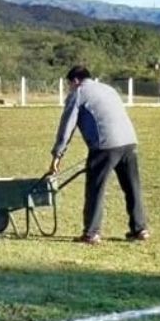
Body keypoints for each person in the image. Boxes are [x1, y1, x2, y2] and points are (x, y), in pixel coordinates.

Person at [49, 65, 149, 245]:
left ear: (75, 81)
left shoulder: (78, 93)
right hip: (129, 142)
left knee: (95, 189)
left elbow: (66, 127)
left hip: (104, 145)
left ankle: (91, 233)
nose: (69, 88)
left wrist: (57, 155)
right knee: (132, 187)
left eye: (69, 85)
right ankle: (140, 229)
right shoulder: (108, 89)